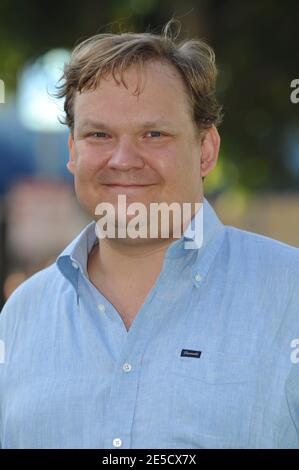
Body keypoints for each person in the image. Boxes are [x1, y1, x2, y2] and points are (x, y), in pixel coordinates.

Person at [0, 19, 299, 449]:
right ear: (72, 152)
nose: (123, 159)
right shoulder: (20, 317)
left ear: (206, 150)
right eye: (99, 134)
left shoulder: (290, 294)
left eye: (153, 134)